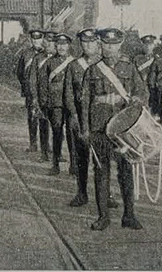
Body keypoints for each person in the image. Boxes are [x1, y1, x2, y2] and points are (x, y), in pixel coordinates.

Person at [79, 27, 145, 231]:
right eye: (106, 44)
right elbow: (85, 102)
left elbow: (143, 92)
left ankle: (129, 216)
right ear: (100, 45)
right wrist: (85, 129)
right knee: (101, 172)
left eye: (114, 44)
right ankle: (103, 217)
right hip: (99, 128)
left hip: (123, 129)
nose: (110, 48)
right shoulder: (92, 70)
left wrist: (138, 99)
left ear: (120, 45)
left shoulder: (129, 68)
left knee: (126, 171)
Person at [67, 28, 101, 206]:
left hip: (100, 119)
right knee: (82, 158)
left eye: (91, 42)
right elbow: (69, 94)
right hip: (80, 117)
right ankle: (81, 193)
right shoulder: (74, 66)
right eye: (84, 42)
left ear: (98, 43)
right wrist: (73, 115)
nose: (88, 46)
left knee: (102, 160)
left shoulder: (104, 66)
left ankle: (106, 195)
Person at [41, 33, 76, 174]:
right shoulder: (49, 63)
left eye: (64, 44)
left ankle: (74, 166)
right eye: (59, 44)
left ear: (69, 46)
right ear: (55, 45)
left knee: (72, 134)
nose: (61, 47)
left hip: (71, 103)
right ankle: (55, 165)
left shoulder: (74, 62)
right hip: (55, 104)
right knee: (57, 133)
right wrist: (44, 102)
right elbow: (43, 83)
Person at [16, 30, 45, 152]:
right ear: (31, 40)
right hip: (30, 91)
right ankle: (33, 143)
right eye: (34, 39)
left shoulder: (47, 54)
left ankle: (45, 146)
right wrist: (25, 86)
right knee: (32, 117)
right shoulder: (26, 54)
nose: (36, 41)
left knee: (45, 118)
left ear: (42, 39)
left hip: (44, 92)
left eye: (38, 39)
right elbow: (19, 72)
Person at [33, 32, 57, 162]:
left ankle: (56, 154)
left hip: (58, 100)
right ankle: (44, 153)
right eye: (46, 41)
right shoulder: (38, 58)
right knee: (43, 125)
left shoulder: (61, 60)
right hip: (42, 98)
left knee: (57, 127)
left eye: (51, 41)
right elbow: (33, 79)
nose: (47, 43)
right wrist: (34, 98)